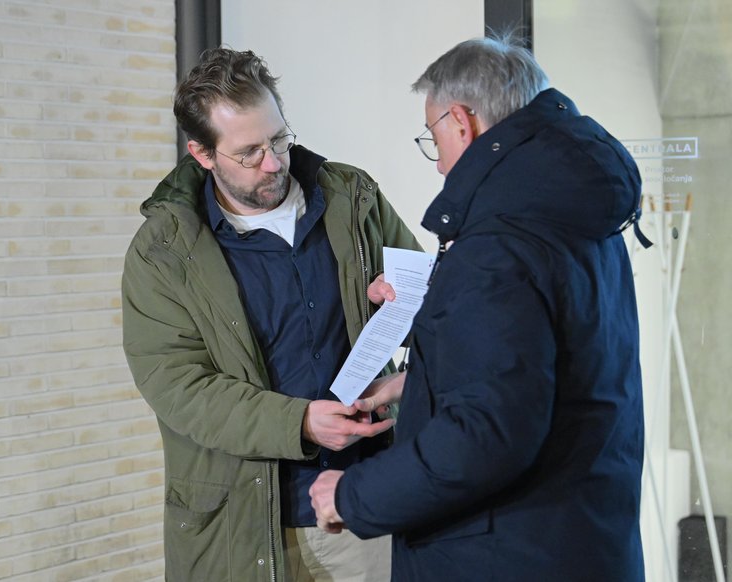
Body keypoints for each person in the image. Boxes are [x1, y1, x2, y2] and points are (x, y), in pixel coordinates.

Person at [309, 35, 650, 581]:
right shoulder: (574, 214)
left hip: (504, 556)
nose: (440, 162)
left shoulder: (497, 245)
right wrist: (415, 384)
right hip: (580, 539)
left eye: (433, 136)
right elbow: (549, 373)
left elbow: (486, 436)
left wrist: (352, 496)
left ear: (461, 121)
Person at [121, 47, 421, 582]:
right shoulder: (163, 250)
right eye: (250, 152)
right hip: (238, 524)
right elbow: (176, 385)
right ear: (202, 154)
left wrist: (402, 298)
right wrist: (299, 422)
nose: (275, 162)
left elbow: (436, 304)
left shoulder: (354, 198)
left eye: (280, 139)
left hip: (364, 506)